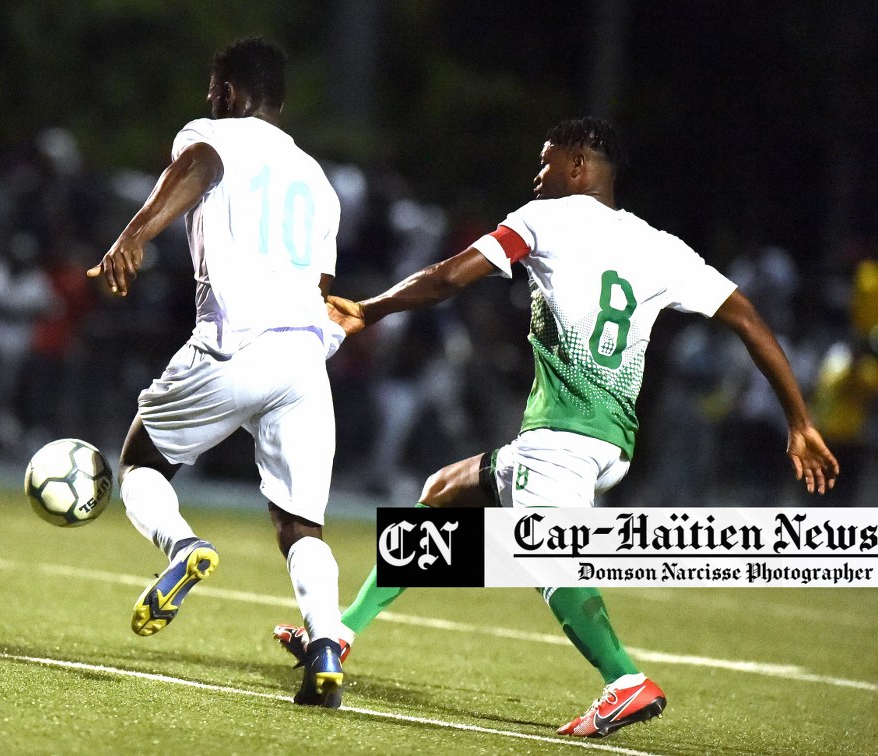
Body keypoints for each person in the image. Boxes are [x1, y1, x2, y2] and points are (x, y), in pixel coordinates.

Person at [273, 117, 840, 735]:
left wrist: (370, 309)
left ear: (578, 167)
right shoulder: (662, 247)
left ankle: (625, 680)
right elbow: (751, 321)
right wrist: (800, 422)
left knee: (548, 562)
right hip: (607, 439)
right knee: (443, 492)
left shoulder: (543, 219)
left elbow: (448, 278)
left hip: (562, 440)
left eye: (547, 162)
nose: (537, 174)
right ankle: (340, 633)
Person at [87, 37, 347, 708]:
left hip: (235, 342)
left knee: (141, 462)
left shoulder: (212, 133)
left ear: (227, 92)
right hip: (304, 356)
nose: (210, 103)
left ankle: (182, 548)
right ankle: (324, 645)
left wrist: (132, 236)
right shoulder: (320, 181)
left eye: (214, 92)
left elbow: (200, 163)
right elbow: (323, 285)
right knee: (300, 525)